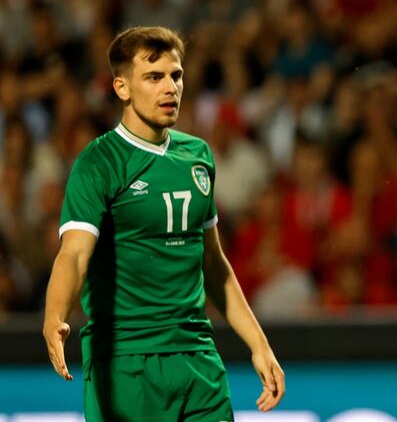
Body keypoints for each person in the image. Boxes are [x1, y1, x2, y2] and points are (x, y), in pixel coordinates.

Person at [42, 26, 285, 420]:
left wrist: (259, 344)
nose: (170, 87)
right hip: (126, 364)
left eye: (176, 75)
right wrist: (55, 316)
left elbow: (213, 263)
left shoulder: (198, 156)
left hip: (198, 361)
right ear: (122, 88)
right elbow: (73, 256)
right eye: (154, 77)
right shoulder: (99, 163)